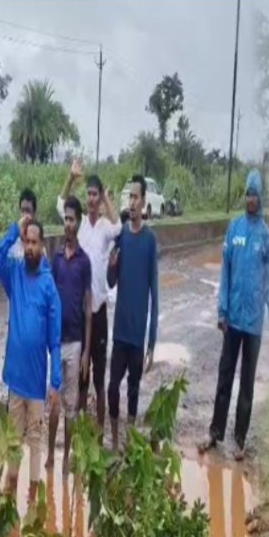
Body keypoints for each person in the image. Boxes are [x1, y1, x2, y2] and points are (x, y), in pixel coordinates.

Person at [203, 170, 269, 460]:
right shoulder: (234, 230)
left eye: (255, 195)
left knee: (246, 383)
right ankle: (215, 431)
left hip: (254, 326)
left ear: (260, 198)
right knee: (224, 377)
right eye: (248, 194)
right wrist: (222, 311)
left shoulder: (266, 236)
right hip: (232, 320)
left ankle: (239, 438)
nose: (251, 199)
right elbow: (225, 273)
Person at [0, 212, 61, 490]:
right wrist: (14, 228)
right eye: (26, 242)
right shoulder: (14, 273)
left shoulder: (49, 285)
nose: (29, 247)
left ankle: (36, 507)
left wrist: (56, 382)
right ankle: (9, 512)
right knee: (13, 444)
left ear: (42, 247)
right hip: (15, 380)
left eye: (33, 243)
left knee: (35, 443)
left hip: (37, 383)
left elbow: (55, 340)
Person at [57, 159, 119, 423]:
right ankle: (81, 434)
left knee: (99, 379)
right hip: (82, 315)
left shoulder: (105, 228)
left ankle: (100, 432)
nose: (92, 199)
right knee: (81, 378)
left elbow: (119, 226)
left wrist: (107, 197)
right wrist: (71, 178)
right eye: (90, 194)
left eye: (95, 194)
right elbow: (60, 204)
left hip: (100, 312)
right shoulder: (79, 224)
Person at [106, 174, 159, 451]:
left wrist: (152, 341)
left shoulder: (150, 240)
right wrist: (112, 266)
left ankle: (129, 442)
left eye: (136, 197)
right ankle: (114, 441)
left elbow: (155, 293)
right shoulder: (121, 236)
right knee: (112, 388)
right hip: (121, 333)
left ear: (145, 201)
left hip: (138, 336)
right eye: (129, 197)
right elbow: (111, 282)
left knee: (134, 391)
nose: (133, 202)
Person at [48, 196, 93, 465]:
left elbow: (88, 308)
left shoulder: (84, 262)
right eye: (65, 218)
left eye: (72, 219)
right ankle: (51, 455)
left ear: (78, 223)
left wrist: (87, 351)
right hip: (56, 342)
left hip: (76, 342)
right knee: (53, 402)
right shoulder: (55, 259)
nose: (67, 223)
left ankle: (66, 458)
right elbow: (50, 301)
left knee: (71, 406)